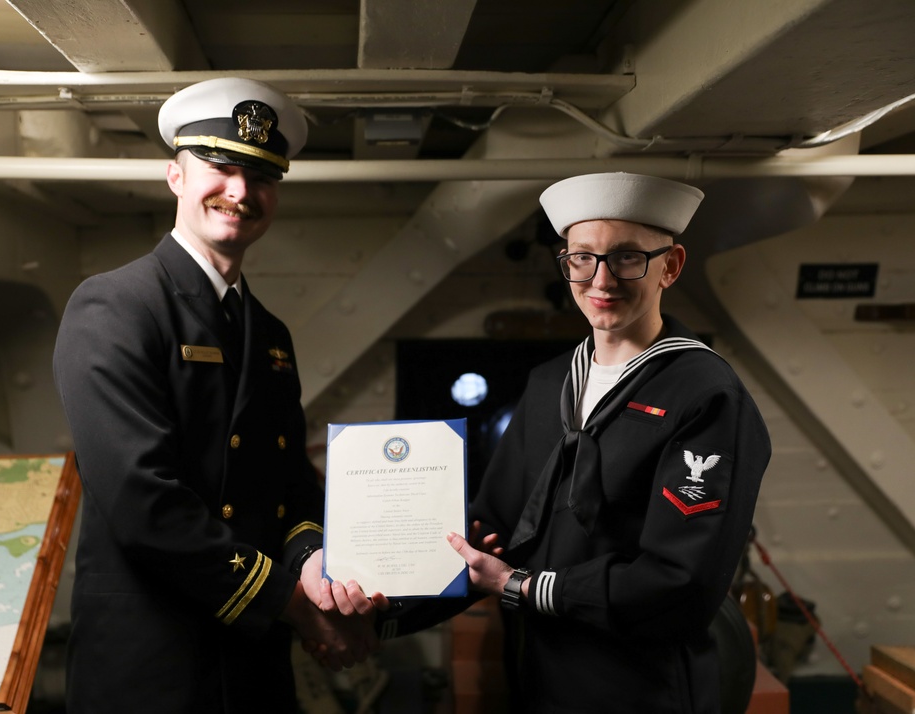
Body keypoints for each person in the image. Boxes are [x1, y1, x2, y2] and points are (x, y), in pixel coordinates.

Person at [379, 173, 771, 713]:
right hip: (537, 678)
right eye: (582, 258)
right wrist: (379, 611)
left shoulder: (705, 395)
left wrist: (525, 587)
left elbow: (680, 584)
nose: (601, 280)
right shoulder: (548, 384)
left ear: (671, 266)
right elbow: (491, 531)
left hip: (641, 688)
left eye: (628, 257)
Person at [53, 77, 380, 714]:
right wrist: (297, 608)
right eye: (220, 166)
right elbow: (144, 501)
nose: (239, 191)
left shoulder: (270, 333)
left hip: (253, 666)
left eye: (259, 175)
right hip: (154, 668)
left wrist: (313, 558)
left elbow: (289, 483)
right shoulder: (115, 306)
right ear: (175, 176)